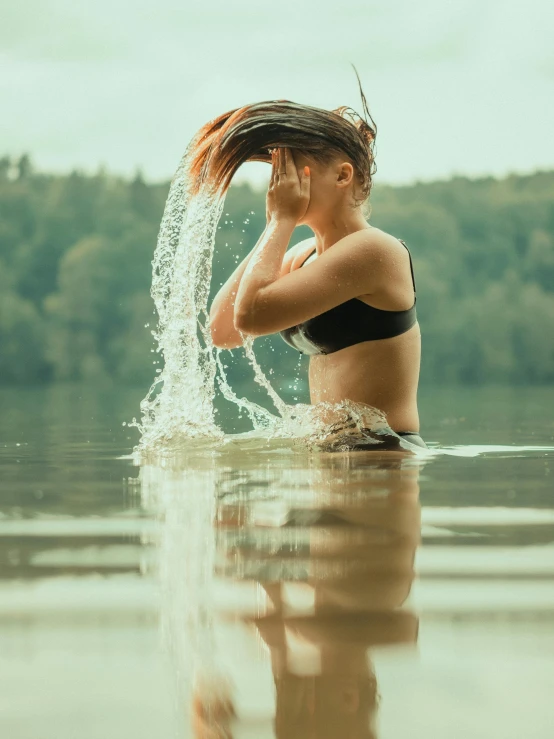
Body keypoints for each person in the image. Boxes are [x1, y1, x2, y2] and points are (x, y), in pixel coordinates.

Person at [201, 89, 426, 450]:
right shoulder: (301, 256)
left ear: (342, 176)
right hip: (329, 456)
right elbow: (223, 330)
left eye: (293, 171)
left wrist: (281, 219)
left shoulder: (374, 251)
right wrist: (276, 226)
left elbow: (251, 315)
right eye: (278, 173)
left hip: (381, 457)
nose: (282, 184)